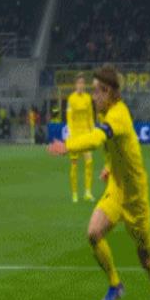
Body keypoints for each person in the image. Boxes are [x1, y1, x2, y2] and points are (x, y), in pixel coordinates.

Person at [48, 65, 150, 300]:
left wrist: (67, 146)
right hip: (117, 189)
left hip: (135, 198)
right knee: (93, 233)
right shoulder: (105, 114)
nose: (93, 97)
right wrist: (109, 167)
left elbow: (96, 139)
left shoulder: (118, 115)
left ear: (109, 92)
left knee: (145, 259)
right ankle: (115, 284)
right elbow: (117, 150)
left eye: (96, 91)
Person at [66, 74, 95, 203]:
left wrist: (93, 131)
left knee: (89, 162)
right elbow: (69, 118)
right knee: (74, 165)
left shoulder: (88, 98)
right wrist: (71, 133)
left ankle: (87, 192)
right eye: (79, 83)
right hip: (75, 136)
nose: (81, 85)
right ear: (75, 84)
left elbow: (90, 117)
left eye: (83, 83)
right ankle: (74, 193)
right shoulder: (71, 99)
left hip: (86, 135)